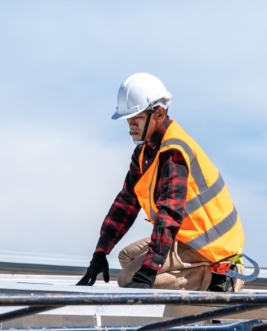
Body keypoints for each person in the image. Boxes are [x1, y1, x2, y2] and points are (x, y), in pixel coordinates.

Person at [77, 73, 247, 292]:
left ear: (158, 113)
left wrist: (150, 269)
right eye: (128, 119)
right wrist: (100, 253)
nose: (131, 125)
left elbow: (169, 213)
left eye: (136, 118)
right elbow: (125, 204)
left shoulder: (173, 151)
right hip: (188, 237)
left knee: (128, 279)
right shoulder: (144, 152)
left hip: (211, 245)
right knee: (127, 257)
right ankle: (200, 272)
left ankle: (219, 276)